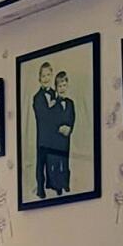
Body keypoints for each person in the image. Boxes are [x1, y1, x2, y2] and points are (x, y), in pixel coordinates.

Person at [33, 70, 75, 198]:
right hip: (43, 137)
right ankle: (41, 189)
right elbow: (44, 116)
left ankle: (61, 184)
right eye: (43, 76)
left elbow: (71, 117)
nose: (46, 78)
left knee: (60, 161)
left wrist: (69, 129)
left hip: (57, 138)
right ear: (39, 78)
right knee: (42, 164)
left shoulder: (55, 95)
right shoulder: (37, 97)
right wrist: (50, 108)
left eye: (48, 75)